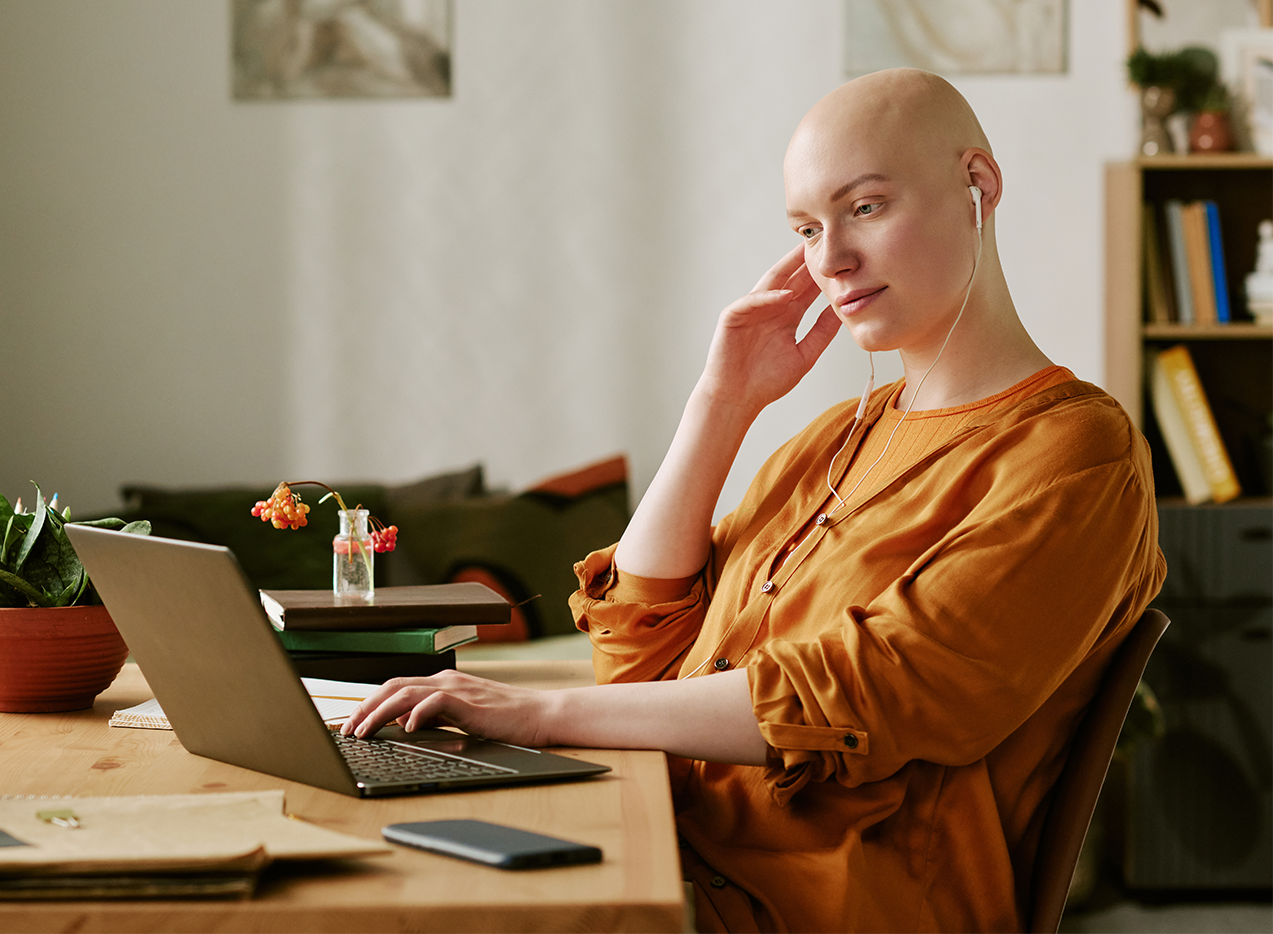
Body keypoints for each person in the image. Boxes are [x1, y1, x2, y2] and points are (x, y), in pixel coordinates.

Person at [340, 68, 1165, 932]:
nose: (831, 259)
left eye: (867, 208)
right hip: (679, 853)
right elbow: (638, 654)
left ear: (978, 187)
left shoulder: (1076, 453)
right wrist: (720, 405)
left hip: (818, 907)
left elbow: (867, 690)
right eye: (807, 229)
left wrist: (538, 712)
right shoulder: (836, 436)